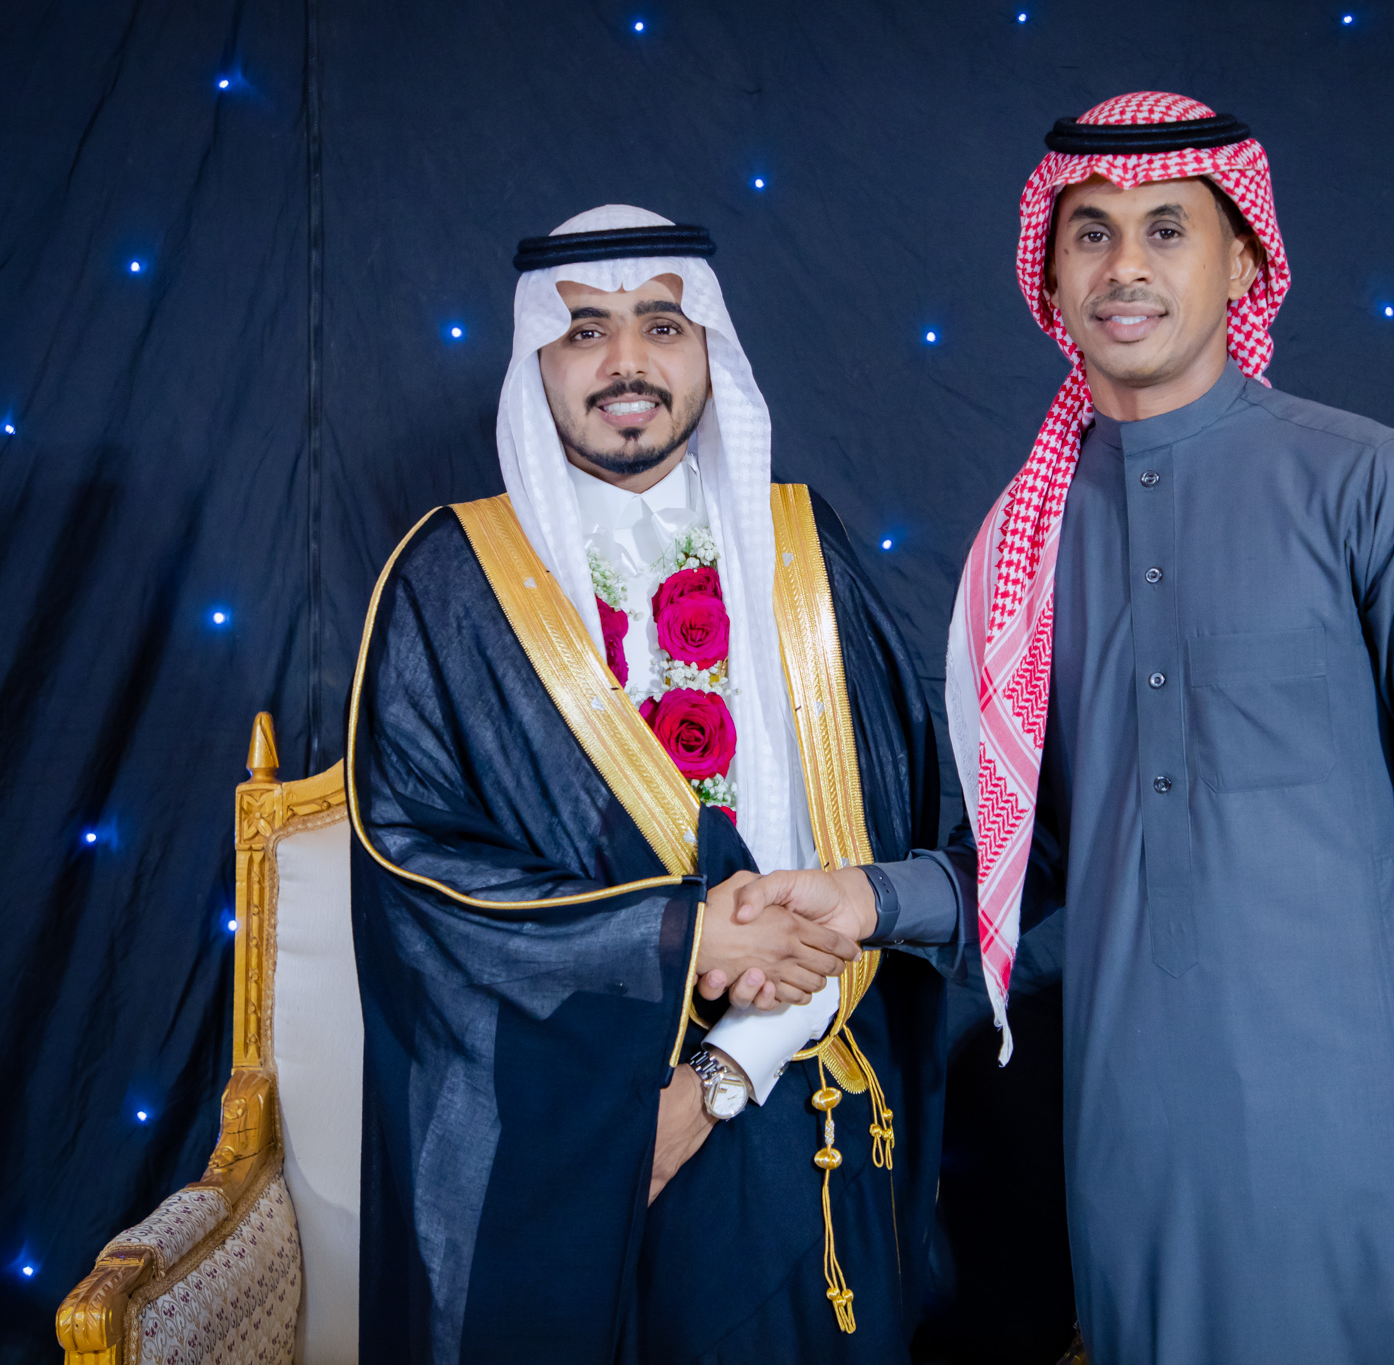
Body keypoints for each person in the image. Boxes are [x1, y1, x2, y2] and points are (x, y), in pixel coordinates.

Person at [736, 94, 1394, 1361]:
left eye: (1166, 229)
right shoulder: (1023, 547)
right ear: (1048, 276)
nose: (1124, 267)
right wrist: (863, 900)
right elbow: (1039, 856)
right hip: (1134, 1143)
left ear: (1241, 262)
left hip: (1373, 1137)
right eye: (1091, 234)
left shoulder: (1367, 482)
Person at [345, 204, 966, 1364]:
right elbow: (414, 869)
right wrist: (681, 936)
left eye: (661, 326)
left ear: (707, 352)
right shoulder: (449, 580)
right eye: (586, 330)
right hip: (568, 1133)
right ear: (537, 360)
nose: (625, 361)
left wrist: (726, 1071)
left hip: (796, 1102)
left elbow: (893, 841)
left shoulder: (803, 551)